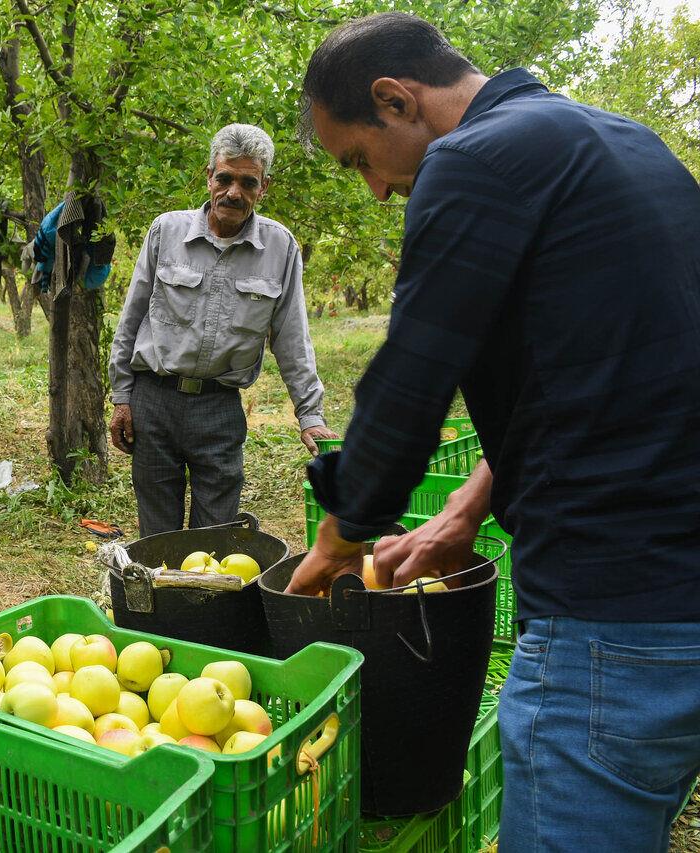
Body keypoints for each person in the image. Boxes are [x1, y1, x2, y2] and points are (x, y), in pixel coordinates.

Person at [285, 12, 700, 851]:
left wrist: (335, 545)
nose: (373, 188)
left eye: (359, 159)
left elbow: (408, 389)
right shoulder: (628, 146)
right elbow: (608, 377)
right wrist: (470, 508)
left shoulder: (471, 164)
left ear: (395, 99)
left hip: (610, 620)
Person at [108, 123, 337, 536]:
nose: (233, 192)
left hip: (219, 408)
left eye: (247, 182)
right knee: (157, 536)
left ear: (262, 187)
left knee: (215, 535)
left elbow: (291, 338)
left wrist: (310, 415)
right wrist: (121, 397)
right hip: (153, 402)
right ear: (209, 176)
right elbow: (132, 318)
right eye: (225, 178)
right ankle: (161, 600)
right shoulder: (166, 232)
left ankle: (203, 601)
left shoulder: (280, 248)